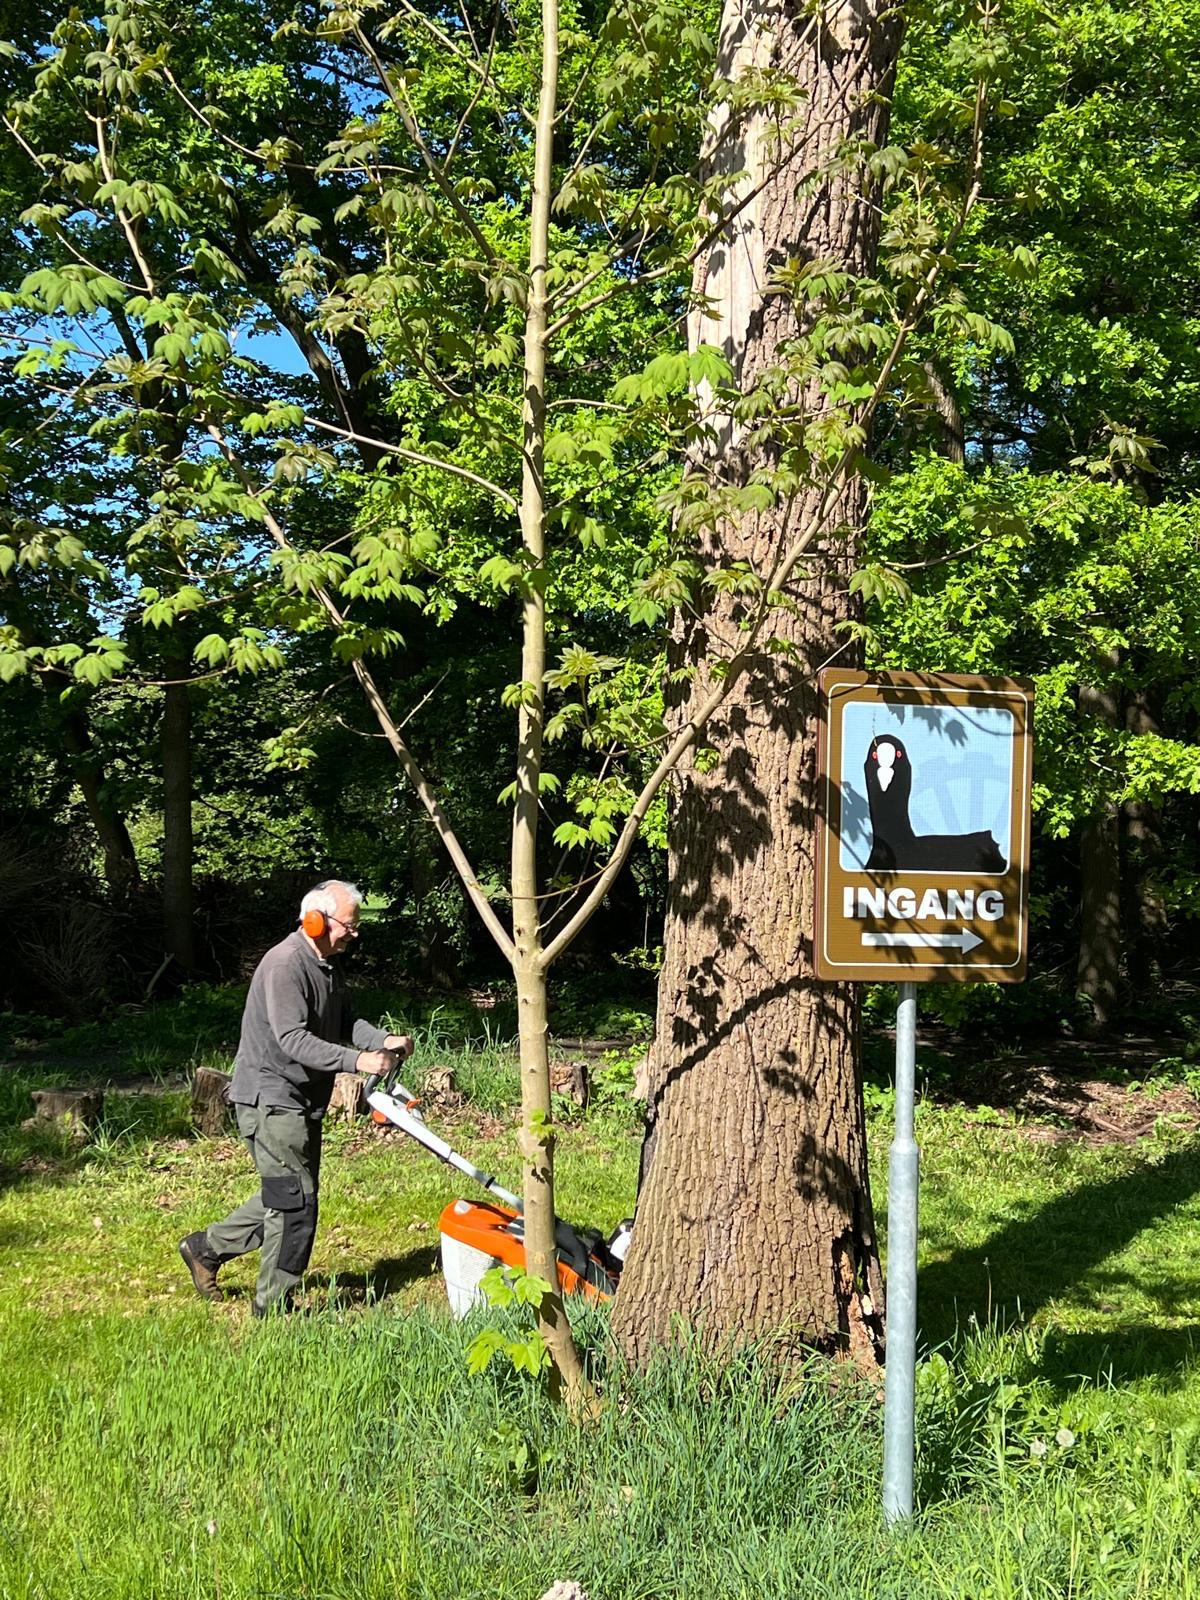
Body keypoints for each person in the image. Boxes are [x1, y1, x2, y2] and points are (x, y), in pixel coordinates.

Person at [178, 879, 412, 1316]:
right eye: (349, 925)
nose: (354, 934)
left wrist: (384, 1040)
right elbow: (293, 1039)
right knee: (294, 1202)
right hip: (271, 1098)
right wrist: (358, 1063)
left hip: (301, 1100)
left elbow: (346, 1021)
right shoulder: (286, 964)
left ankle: (204, 1249)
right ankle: (273, 1307)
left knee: (288, 1195)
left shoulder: (326, 964)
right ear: (315, 920)